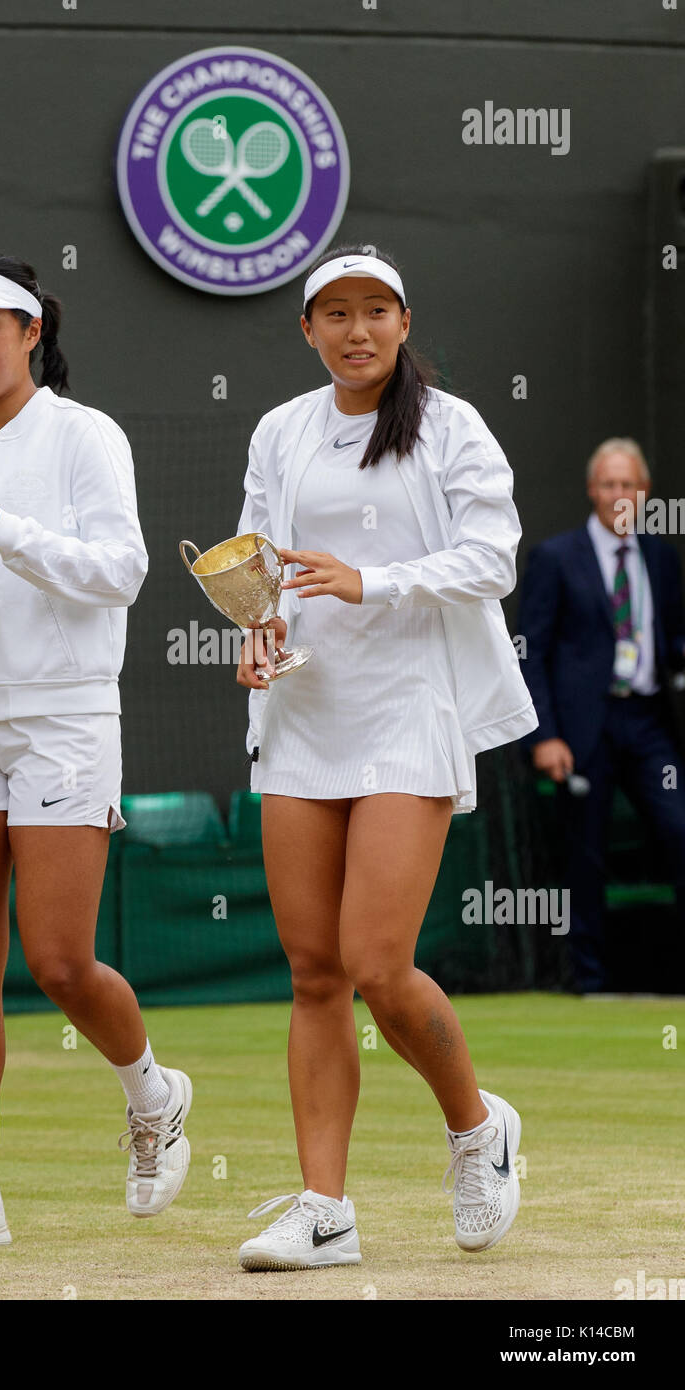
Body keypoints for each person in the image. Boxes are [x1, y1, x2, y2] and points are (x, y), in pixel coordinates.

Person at [0, 251, 192, 1250]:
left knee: (59, 961)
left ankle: (153, 1093)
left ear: (31, 335)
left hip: (62, 718)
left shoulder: (85, 437)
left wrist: (7, 529)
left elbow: (123, 572)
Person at [233, 243, 538, 1269]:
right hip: (303, 717)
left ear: (404, 324)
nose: (355, 329)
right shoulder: (280, 430)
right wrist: (257, 627)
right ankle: (325, 1208)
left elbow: (492, 558)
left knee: (376, 964)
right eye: (334, 313)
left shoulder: (451, 428)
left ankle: (475, 1127)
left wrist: (373, 581)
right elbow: (256, 564)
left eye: (375, 311)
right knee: (313, 972)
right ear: (307, 329)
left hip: (410, 712)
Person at [518, 438, 685, 993]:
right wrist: (545, 736)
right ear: (593, 489)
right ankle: (590, 984)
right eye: (610, 484)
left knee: (677, 827)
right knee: (584, 856)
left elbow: (671, 642)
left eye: (630, 485)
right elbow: (531, 652)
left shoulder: (661, 559)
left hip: (647, 722)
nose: (620, 495)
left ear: (645, 493)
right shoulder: (555, 558)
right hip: (583, 729)